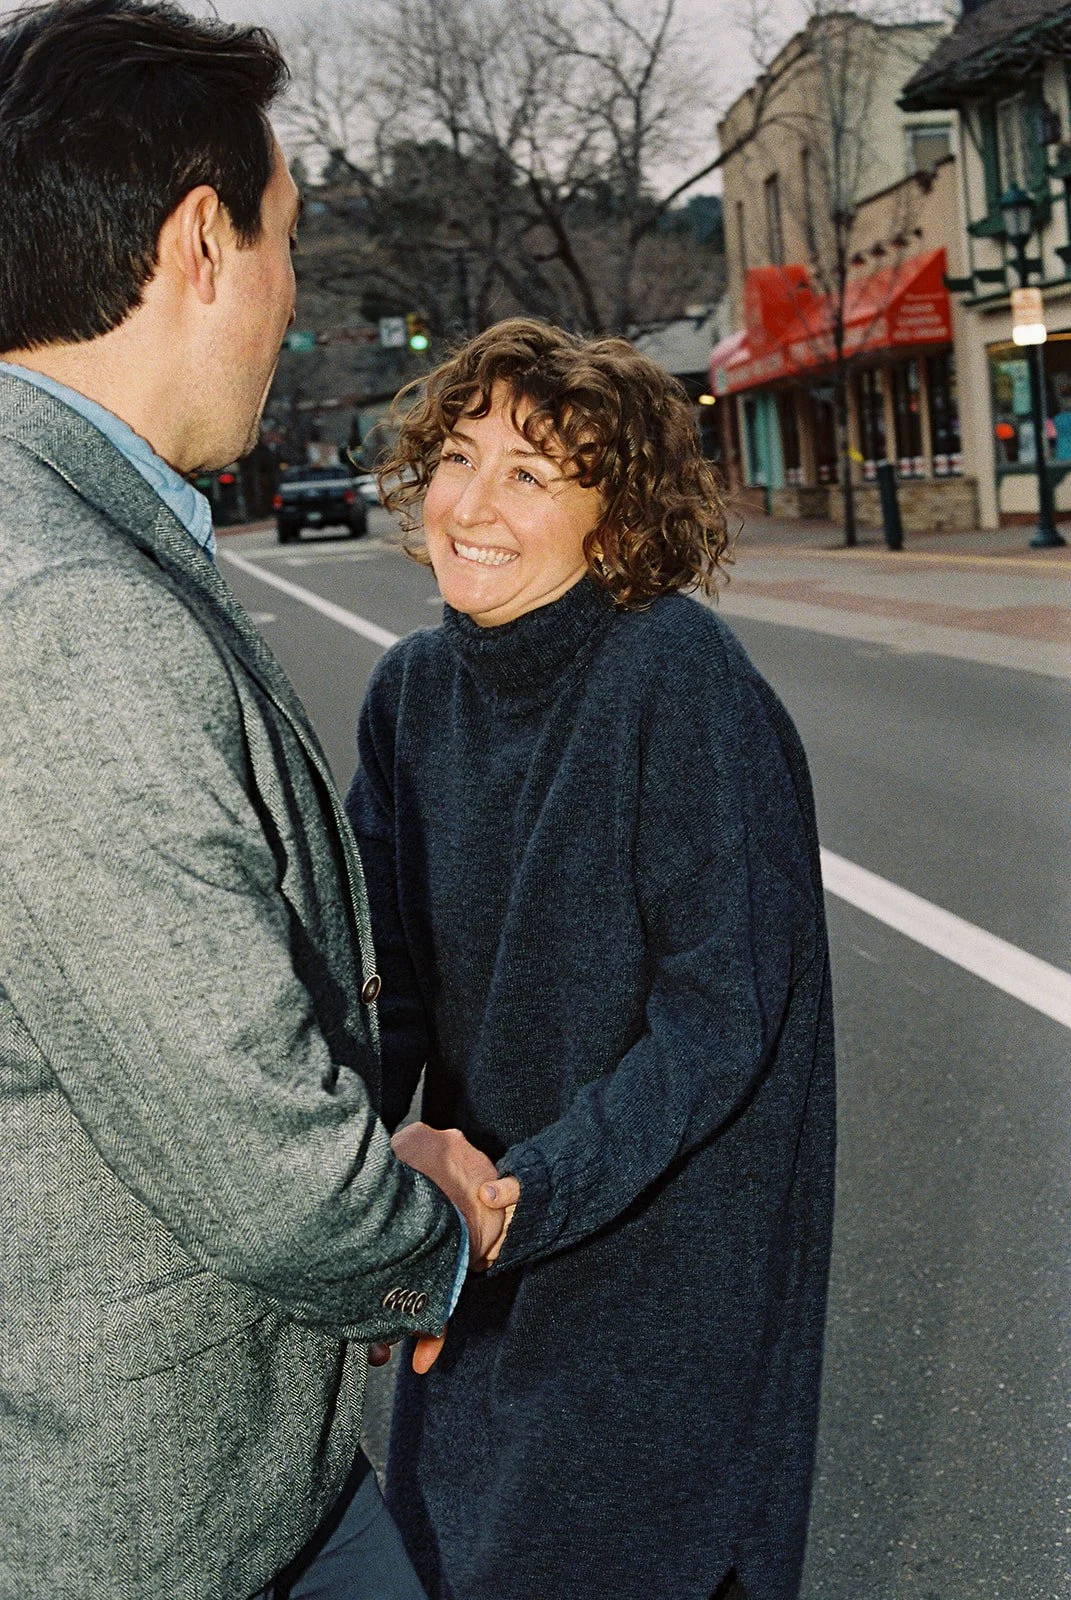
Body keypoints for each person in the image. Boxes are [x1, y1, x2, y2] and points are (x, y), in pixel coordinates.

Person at [0, 4, 494, 1597]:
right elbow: (265, 1167)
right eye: (286, 234)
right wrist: (426, 1235)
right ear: (201, 239)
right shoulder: (66, 614)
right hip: (159, 1515)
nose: (292, 292)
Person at [346, 319, 837, 1600]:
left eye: (531, 474)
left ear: (616, 526)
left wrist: (525, 1197)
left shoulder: (673, 676)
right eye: (459, 456)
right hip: (491, 1231)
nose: (470, 503)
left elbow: (719, 1018)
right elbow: (380, 987)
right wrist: (341, 1181)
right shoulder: (411, 694)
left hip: (658, 1258)